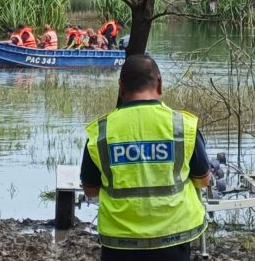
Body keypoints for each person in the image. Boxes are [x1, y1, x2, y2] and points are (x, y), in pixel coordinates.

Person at [80, 54, 209, 261]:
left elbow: (90, 189)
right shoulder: (182, 126)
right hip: (173, 237)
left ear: (121, 87)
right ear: (160, 83)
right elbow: (203, 180)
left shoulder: (101, 132)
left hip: (119, 241)